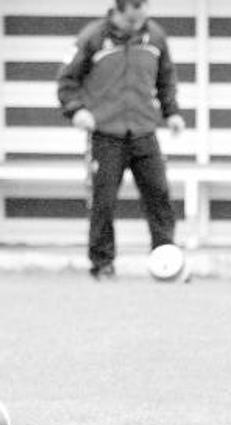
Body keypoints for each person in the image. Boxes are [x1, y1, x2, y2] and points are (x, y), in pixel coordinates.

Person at [57, 0, 185, 281]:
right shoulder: (92, 37)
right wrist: (77, 110)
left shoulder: (156, 37)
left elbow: (166, 79)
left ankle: (166, 262)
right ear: (119, 10)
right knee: (103, 202)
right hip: (106, 134)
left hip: (144, 132)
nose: (137, 25)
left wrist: (172, 112)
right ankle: (102, 265)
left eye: (142, 18)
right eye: (131, 21)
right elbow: (67, 81)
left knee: (159, 197)